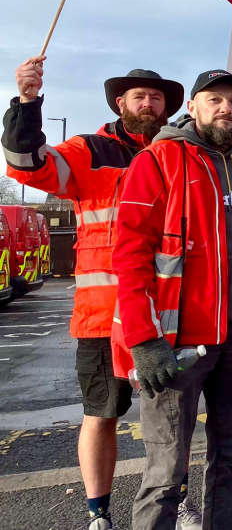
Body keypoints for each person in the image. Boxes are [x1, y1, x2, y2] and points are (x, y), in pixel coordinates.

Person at [2, 58, 184, 530]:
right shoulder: (89, 150)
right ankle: (98, 513)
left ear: (167, 107)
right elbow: (27, 166)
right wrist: (26, 103)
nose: (148, 103)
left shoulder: (179, 152)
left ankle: (175, 502)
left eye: (157, 97)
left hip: (167, 314)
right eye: (139, 96)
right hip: (104, 317)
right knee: (101, 415)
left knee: (171, 422)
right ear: (119, 103)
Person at [113, 69, 232, 530]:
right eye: (215, 100)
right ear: (193, 107)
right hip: (176, 347)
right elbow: (129, 255)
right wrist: (143, 340)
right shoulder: (158, 160)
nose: (226, 109)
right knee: (166, 472)